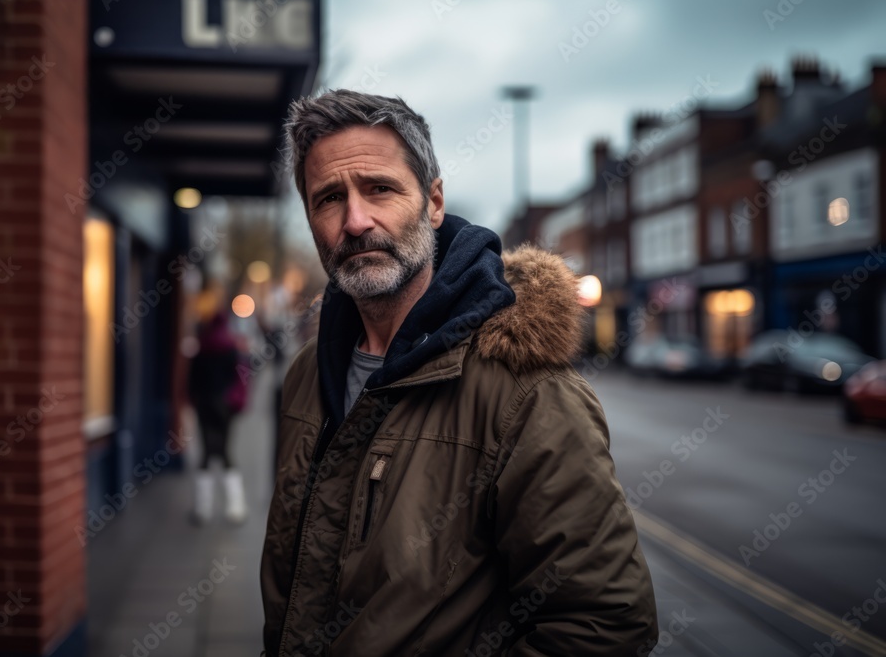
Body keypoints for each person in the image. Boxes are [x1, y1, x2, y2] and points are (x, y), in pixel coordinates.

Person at [260, 90, 658, 656]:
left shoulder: (526, 392)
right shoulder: (305, 375)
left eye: (380, 189)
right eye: (329, 199)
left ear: (434, 202)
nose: (355, 220)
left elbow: (604, 625)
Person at [188, 308, 249, 524]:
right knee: (224, 452)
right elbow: (240, 378)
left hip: (204, 406)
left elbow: (191, 383)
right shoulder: (231, 349)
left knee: (206, 452)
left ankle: (202, 509)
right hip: (226, 408)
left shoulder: (201, 348)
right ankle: (235, 507)